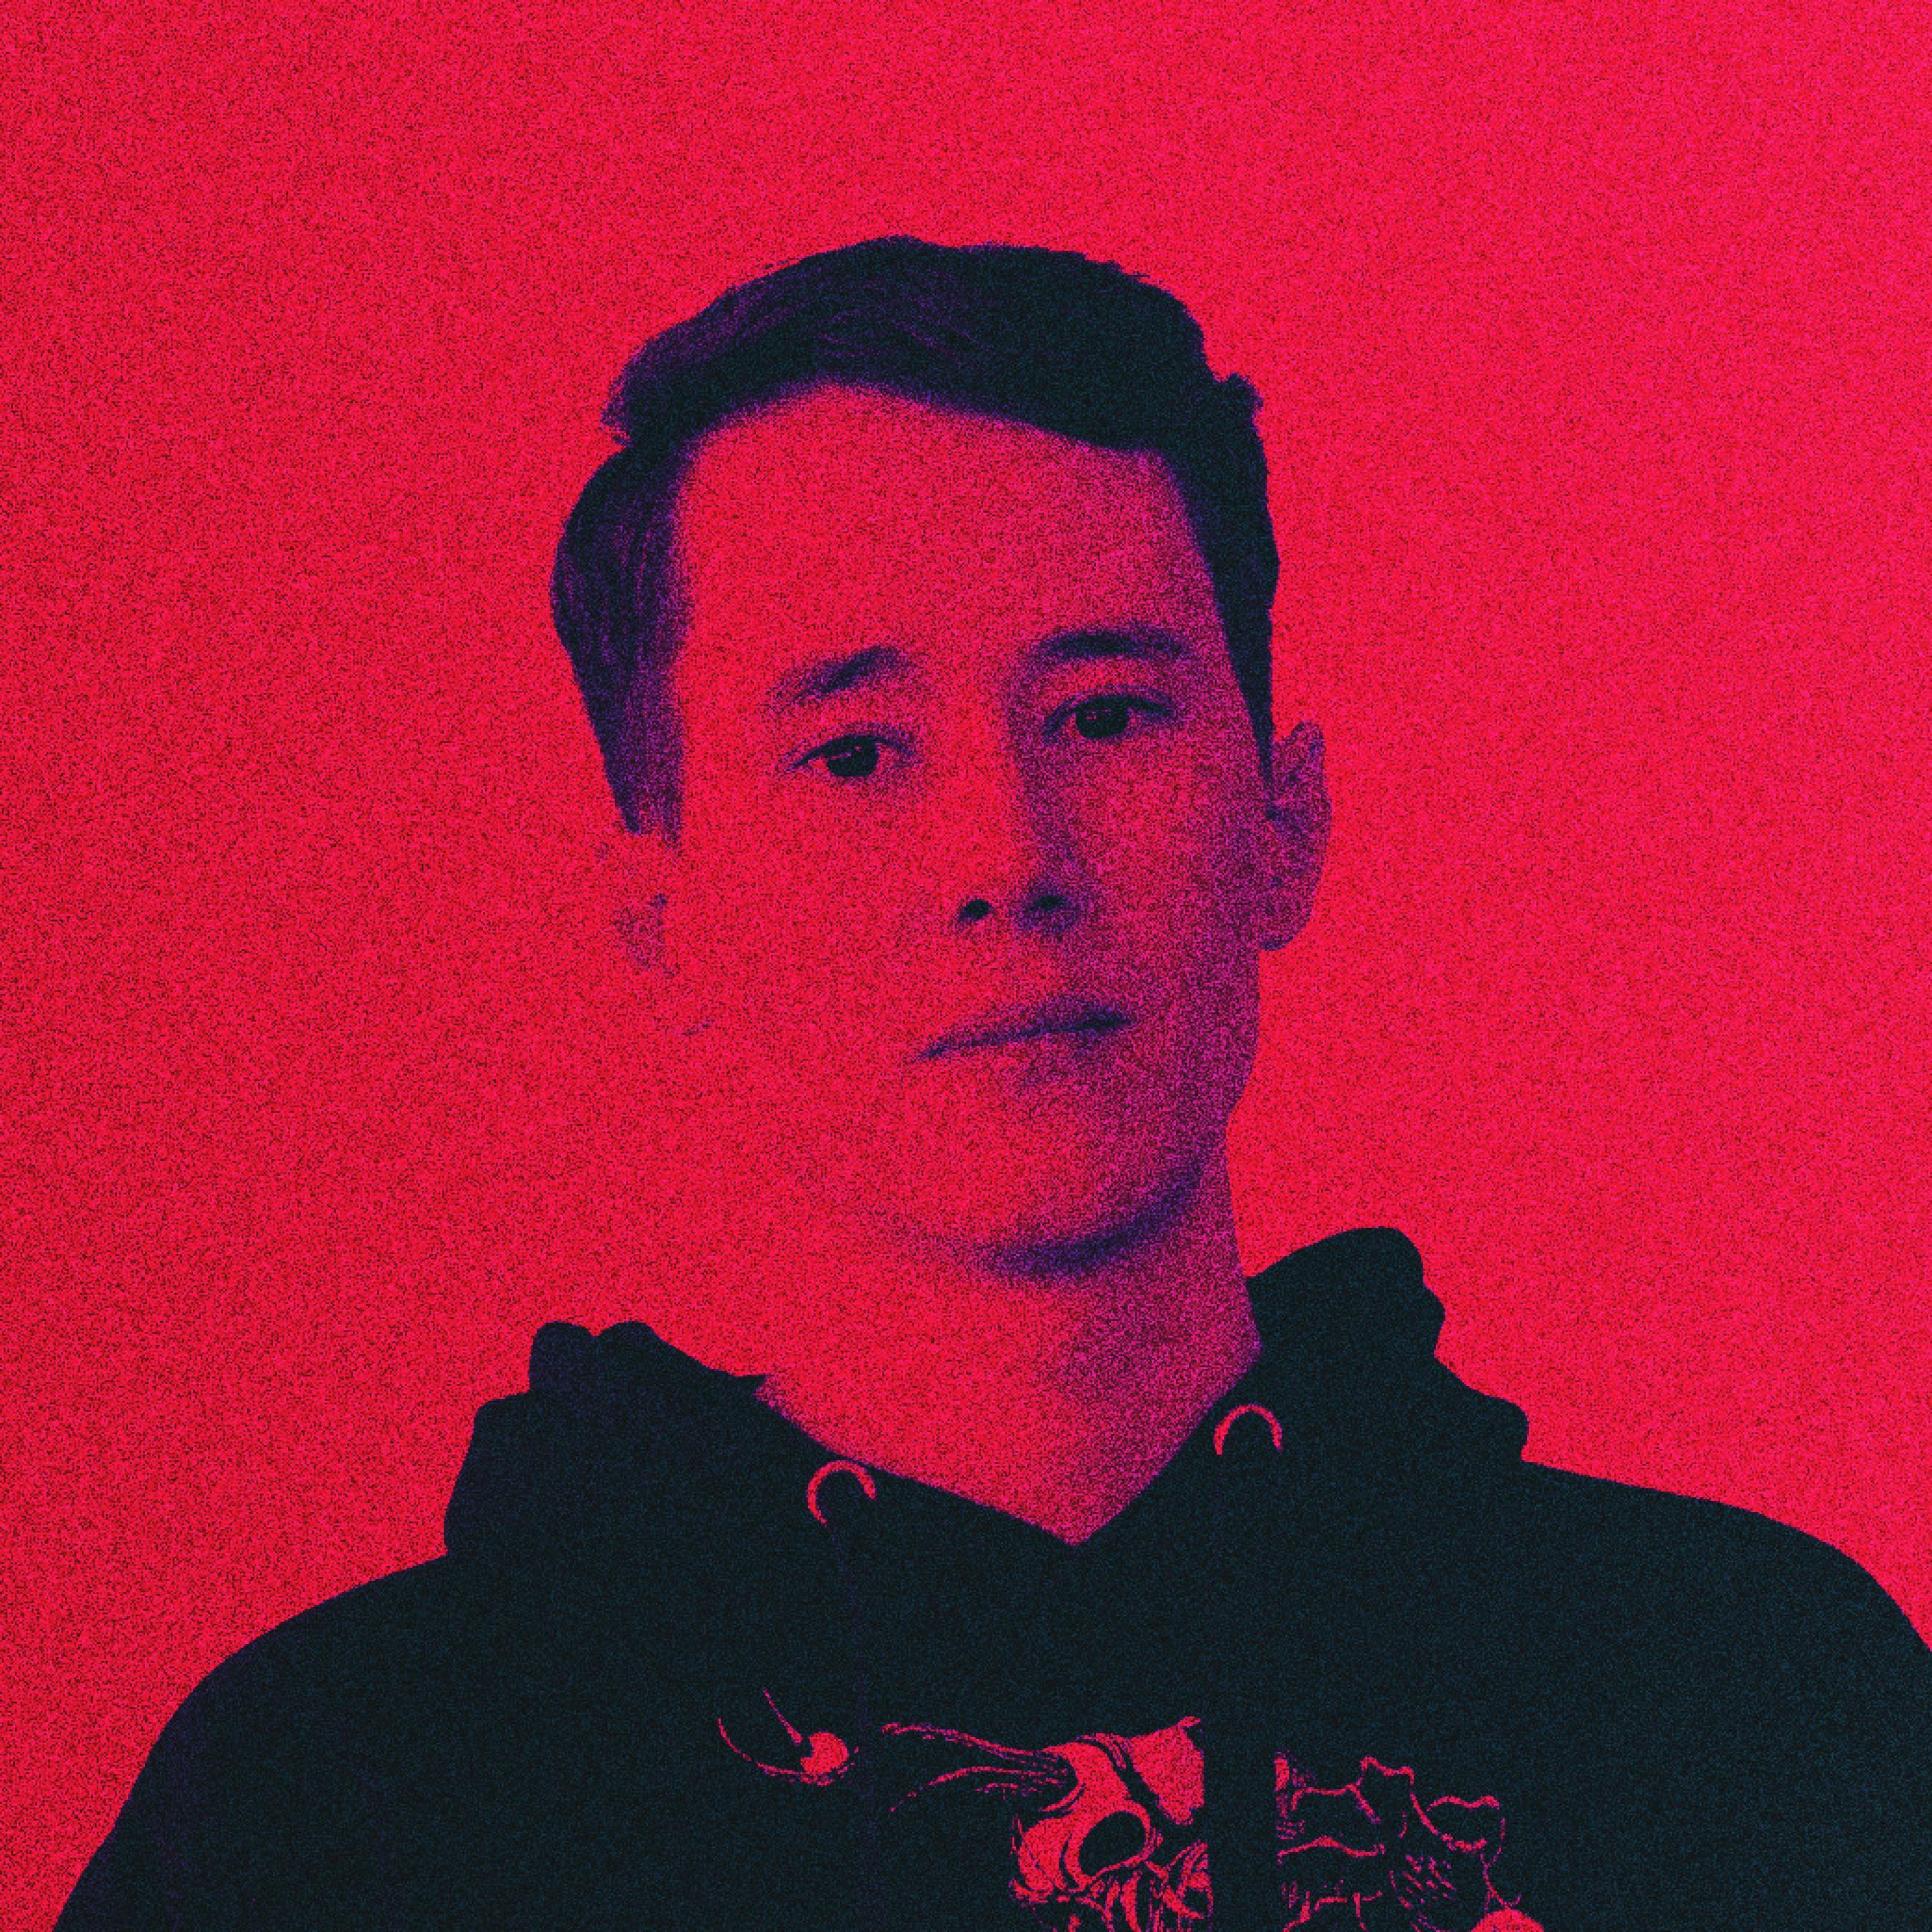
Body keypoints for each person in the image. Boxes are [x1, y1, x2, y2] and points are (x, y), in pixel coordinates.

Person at [58, 237, 1932, 1932]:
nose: (1007, 858)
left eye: (1104, 714)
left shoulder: (1749, 1700)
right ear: (665, 922)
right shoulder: (341, 1802)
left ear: (1286, 825)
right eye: (856, 754)